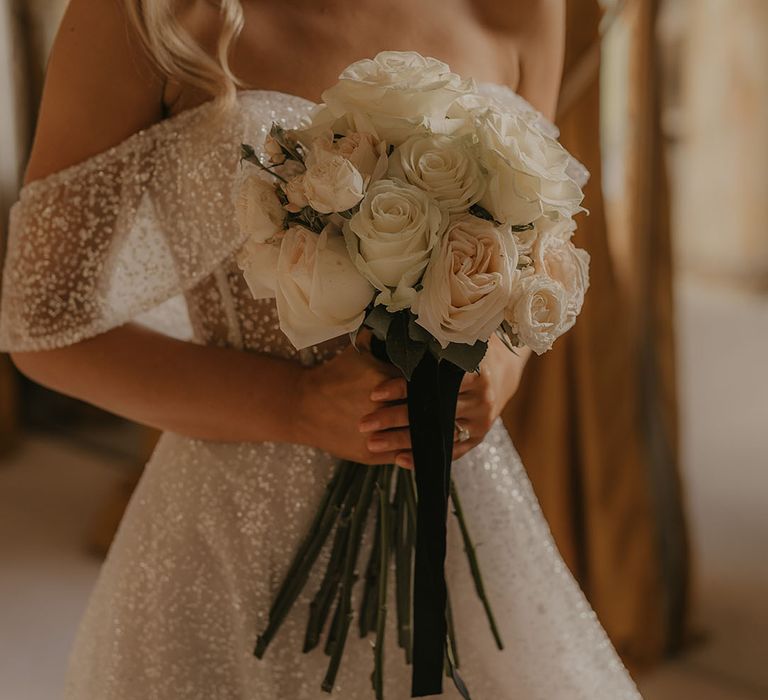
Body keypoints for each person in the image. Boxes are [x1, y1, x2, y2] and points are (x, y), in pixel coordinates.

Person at [0, 0, 642, 697]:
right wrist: (295, 405)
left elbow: (537, 255)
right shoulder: (140, 14)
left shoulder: (524, 8)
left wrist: (493, 372)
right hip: (229, 536)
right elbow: (42, 325)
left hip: (455, 505)